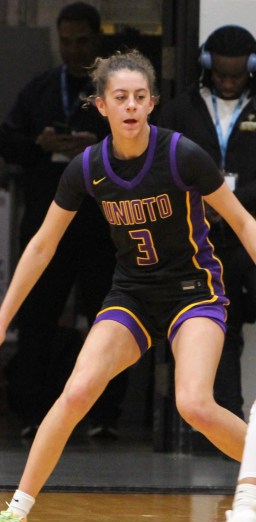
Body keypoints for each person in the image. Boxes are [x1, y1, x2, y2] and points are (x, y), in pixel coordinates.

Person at [0, 49, 256, 522]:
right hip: (133, 294)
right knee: (76, 392)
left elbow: (244, 222)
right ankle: (14, 515)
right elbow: (42, 246)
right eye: (120, 97)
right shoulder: (87, 167)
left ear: (152, 103)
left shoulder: (182, 155)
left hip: (192, 291)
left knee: (194, 404)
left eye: (140, 97)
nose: (131, 105)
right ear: (101, 105)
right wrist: (0, 322)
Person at [0, 2, 127, 440]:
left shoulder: (117, 90)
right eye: (66, 41)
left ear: (98, 40)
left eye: (82, 41)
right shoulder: (40, 89)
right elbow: (7, 141)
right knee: (37, 317)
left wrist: (101, 144)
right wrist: (41, 143)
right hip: (47, 218)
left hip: (104, 225)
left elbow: (146, 146)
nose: (73, 49)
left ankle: (105, 416)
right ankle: (32, 412)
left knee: (108, 319)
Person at [159, 25, 256, 421]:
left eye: (237, 75)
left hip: (250, 234)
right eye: (221, 74)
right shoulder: (180, 110)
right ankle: (227, 425)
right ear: (205, 65)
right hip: (203, 242)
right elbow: (162, 166)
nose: (229, 82)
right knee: (221, 330)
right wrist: (203, 200)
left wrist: (232, 201)